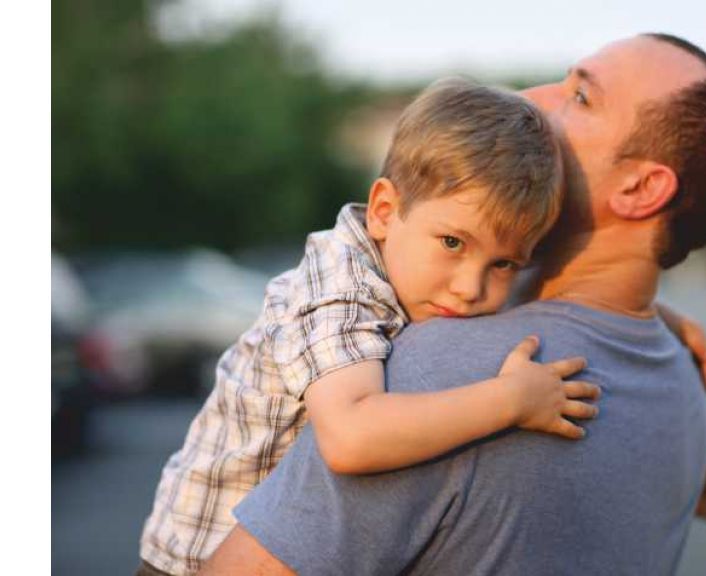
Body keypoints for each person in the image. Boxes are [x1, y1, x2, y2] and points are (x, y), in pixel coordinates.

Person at [199, 32, 706, 575]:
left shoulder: (447, 372)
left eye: (580, 98)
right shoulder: (679, 376)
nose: (529, 99)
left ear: (641, 189)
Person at [139, 78, 610, 576]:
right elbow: (351, 437)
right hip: (196, 561)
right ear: (385, 211)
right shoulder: (337, 284)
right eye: (452, 243)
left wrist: (663, 318)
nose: (471, 288)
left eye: (505, 265)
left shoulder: (424, 273)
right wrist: (511, 401)